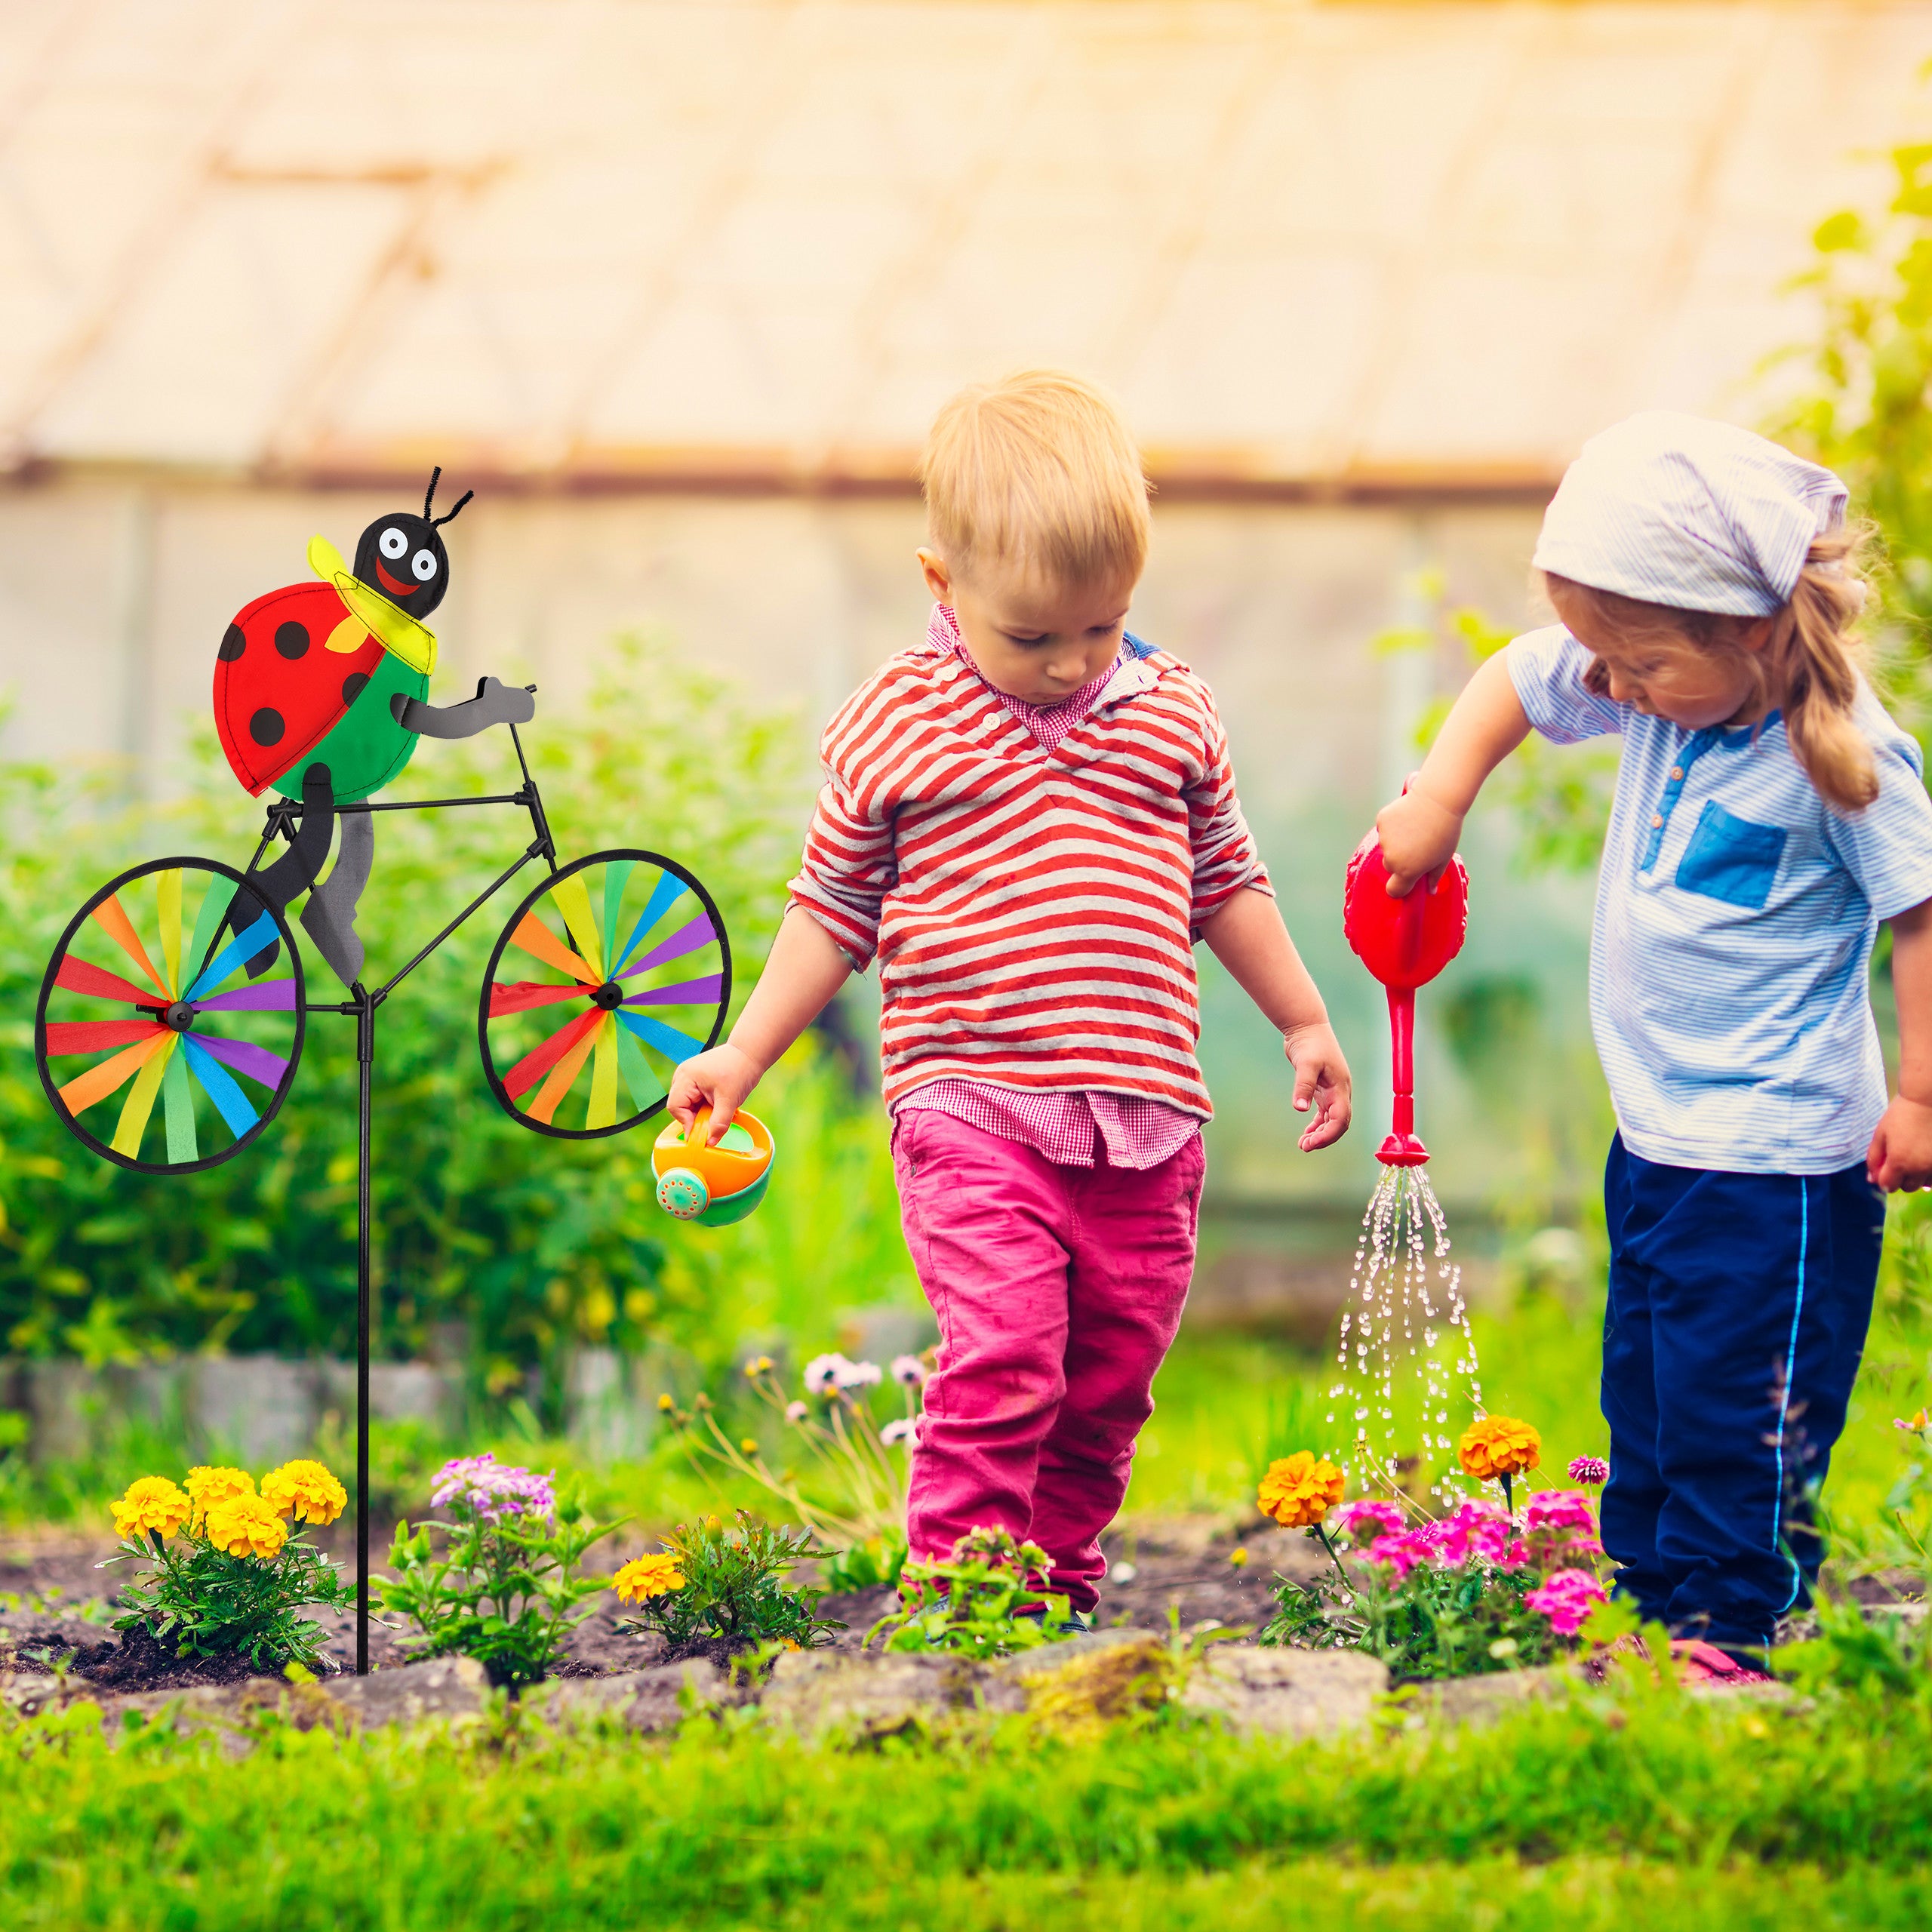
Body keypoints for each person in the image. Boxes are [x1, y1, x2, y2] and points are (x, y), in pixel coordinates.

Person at [669, 370, 1352, 1622]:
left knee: (1106, 1379)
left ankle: (1057, 1582)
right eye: (1031, 637)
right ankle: (963, 1593)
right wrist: (745, 1055)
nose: (1070, 664)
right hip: (971, 1101)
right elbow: (831, 910)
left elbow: (1228, 882)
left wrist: (1304, 1019)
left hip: (1147, 1116)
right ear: (943, 584)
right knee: (1007, 1350)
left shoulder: (1172, 714)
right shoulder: (898, 721)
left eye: (1100, 628)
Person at [1374, 411, 1932, 1676]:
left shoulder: (1842, 760)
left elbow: (1919, 914)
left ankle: (1735, 1618)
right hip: (1663, 1135)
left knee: (1745, 1397)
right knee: (1654, 1378)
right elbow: (1515, 678)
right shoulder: (1662, 680)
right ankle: (1655, 1592)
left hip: (1781, 1158)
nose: (1610, 692)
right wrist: (1441, 800)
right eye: (1604, 665)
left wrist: (1919, 1092)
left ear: (1746, 629)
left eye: (1634, 668)